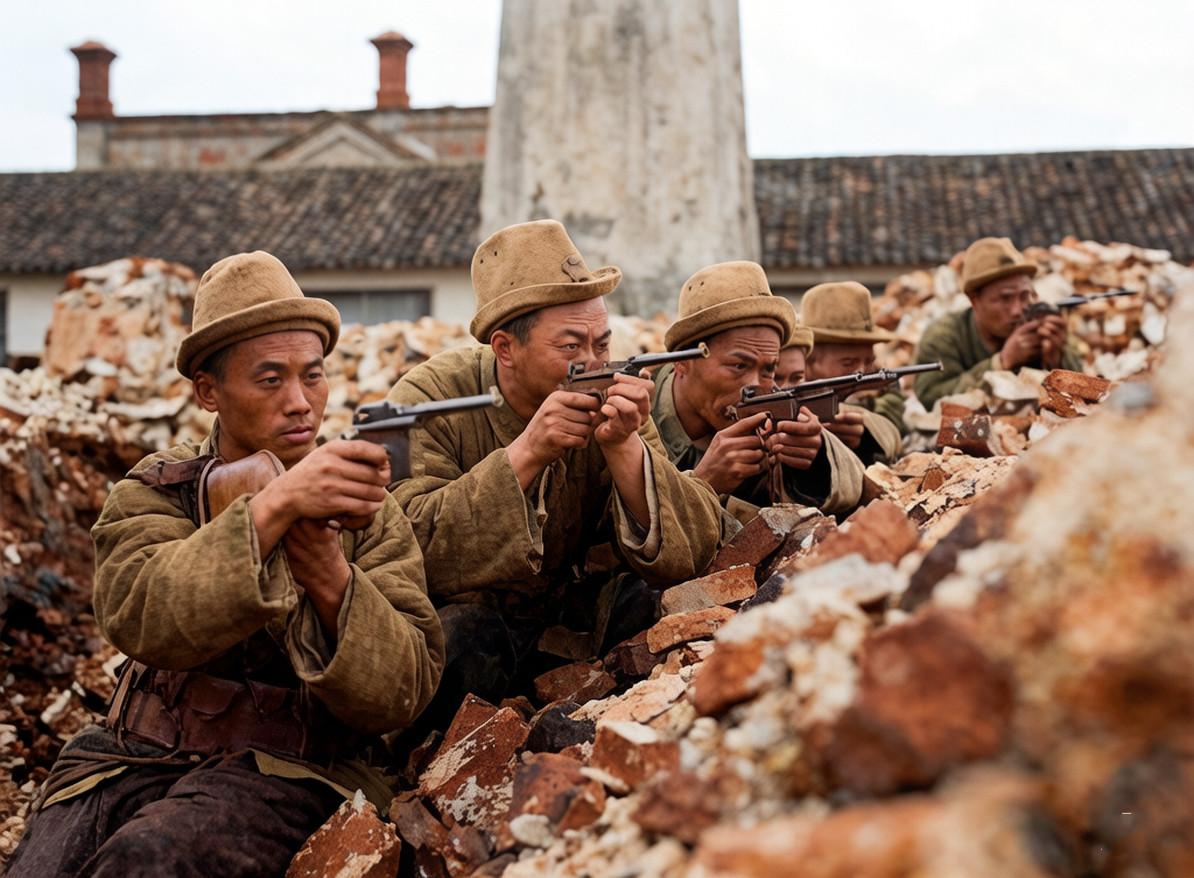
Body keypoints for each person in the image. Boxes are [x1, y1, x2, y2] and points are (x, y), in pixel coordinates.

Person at [8, 251, 444, 878]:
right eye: (270, 380)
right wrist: (274, 509)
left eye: (312, 376)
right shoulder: (156, 492)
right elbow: (141, 614)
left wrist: (325, 564)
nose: (300, 402)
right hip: (133, 755)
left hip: (294, 769)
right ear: (209, 391)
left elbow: (402, 691)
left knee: (150, 860)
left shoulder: (367, 508)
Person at [386, 220, 724, 729]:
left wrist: (624, 446)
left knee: (656, 606)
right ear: (505, 349)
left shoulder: (614, 394)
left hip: (573, 624)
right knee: (454, 641)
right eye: (570, 348)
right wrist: (527, 453)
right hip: (476, 630)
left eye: (602, 345)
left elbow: (696, 548)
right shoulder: (426, 399)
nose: (592, 363)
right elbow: (405, 544)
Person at [651, 261, 863, 526]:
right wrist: (704, 485)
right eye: (739, 366)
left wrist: (815, 455)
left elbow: (855, 486)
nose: (754, 385)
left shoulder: (771, 418)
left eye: (768, 369)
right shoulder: (632, 418)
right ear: (682, 361)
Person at [914, 237, 1083, 410]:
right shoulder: (944, 335)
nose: (1017, 310)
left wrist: (1056, 359)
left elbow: (1083, 397)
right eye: (1005, 298)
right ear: (975, 300)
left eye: (1024, 296)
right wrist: (1002, 362)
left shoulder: (1040, 325)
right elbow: (930, 398)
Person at [799, 281, 905, 466]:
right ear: (808, 362)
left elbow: (894, 429)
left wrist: (865, 440)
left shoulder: (882, 382)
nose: (861, 372)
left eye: (868, 361)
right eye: (848, 363)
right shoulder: (787, 389)